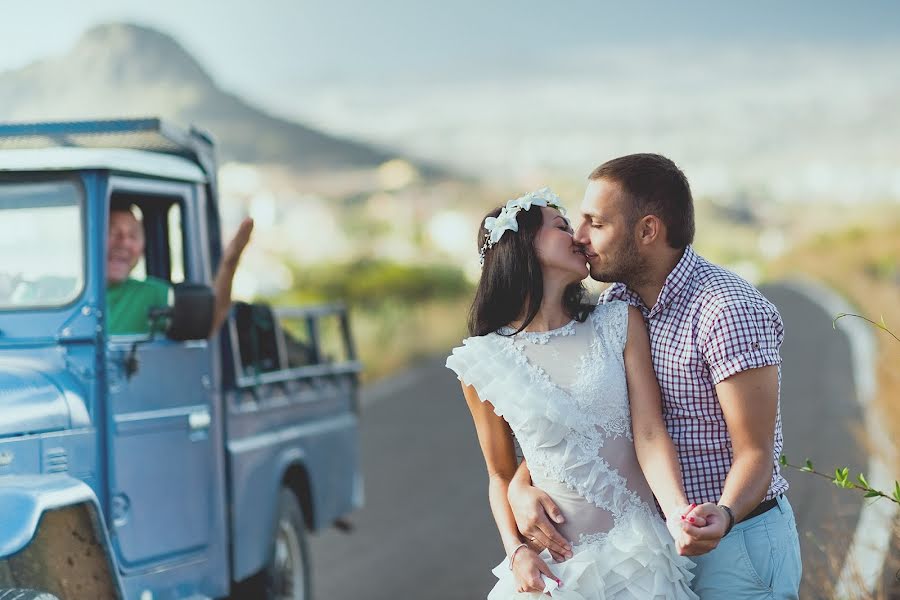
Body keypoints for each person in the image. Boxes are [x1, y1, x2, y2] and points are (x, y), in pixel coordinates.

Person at [507, 155, 802, 598]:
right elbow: (595, 421)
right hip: (654, 549)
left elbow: (756, 453)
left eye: (596, 223)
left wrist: (723, 514)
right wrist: (518, 486)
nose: (580, 237)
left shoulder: (726, 310)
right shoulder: (615, 304)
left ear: (647, 230)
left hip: (738, 543)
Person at [446, 188, 699, 598]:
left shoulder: (618, 322)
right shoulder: (483, 360)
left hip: (639, 561)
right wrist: (515, 552)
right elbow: (500, 474)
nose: (579, 237)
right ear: (524, 246)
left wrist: (677, 513)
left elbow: (650, 432)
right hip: (554, 577)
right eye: (562, 226)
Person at [106, 202, 254, 336]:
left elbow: (208, 324)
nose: (124, 242)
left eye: (133, 236)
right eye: (112, 232)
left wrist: (229, 263)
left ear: (143, 248)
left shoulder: (153, 294)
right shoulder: (82, 293)